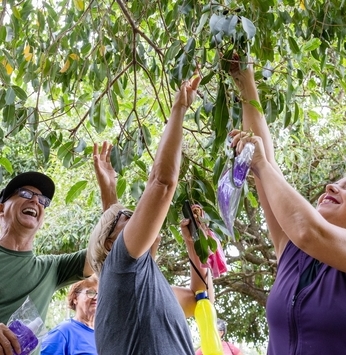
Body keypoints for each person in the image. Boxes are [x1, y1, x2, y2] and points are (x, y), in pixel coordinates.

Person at [87, 75, 216, 355]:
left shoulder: (141, 288)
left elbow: (199, 298)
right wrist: (179, 109)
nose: (138, 217)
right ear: (111, 246)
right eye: (129, 217)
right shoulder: (120, 267)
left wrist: (194, 246)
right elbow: (161, 183)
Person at [229, 56, 346, 354]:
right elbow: (267, 164)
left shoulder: (309, 238)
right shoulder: (292, 249)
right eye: (335, 182)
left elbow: (310, 231)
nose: (332, 186)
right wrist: (244, 80)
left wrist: (262, 165)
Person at [0, 142, 116, 355]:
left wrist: (108, 189)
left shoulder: (51, 269)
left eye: (43, 200)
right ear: (1, 209)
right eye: (25, 193)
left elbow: (110, 246)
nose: (36, 200)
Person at [40, 274, 98, 355]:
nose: (96, 298)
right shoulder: (61, 333)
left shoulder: (105, 333)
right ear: (75, 298)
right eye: (91, 292)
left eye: (100, 294)